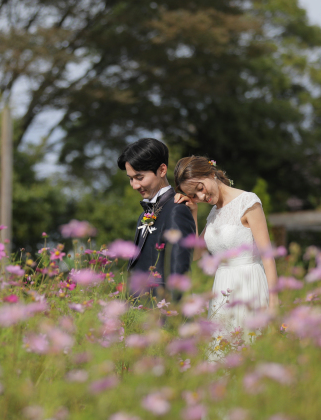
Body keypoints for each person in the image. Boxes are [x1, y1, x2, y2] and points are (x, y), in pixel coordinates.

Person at [173, 156, 278, 336]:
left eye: (200, 188)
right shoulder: (213, 214)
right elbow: (196, 254)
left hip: (249, 285)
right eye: (194, 196)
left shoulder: (248, 202)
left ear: (211, 173)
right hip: (222, 291)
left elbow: (268, 257)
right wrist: (194, 213)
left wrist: (274, 303)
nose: (201, 197)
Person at [117, 138, 196, 297]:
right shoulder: (144, 214)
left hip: (159, 309)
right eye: (131, 178)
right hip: (138, 310)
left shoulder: (177, 210)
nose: (134, 185)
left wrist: (172, 315)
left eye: (139, 177)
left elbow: (179, 272)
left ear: (162, 170)